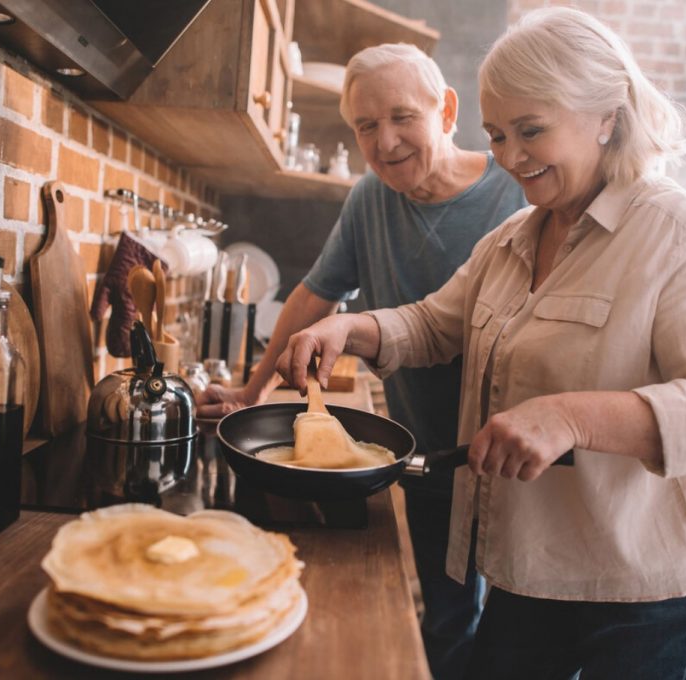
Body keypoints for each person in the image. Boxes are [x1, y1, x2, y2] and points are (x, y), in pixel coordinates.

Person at [275, 8, 686, 680]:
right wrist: (351, 327)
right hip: (536, 557)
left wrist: (569, 416)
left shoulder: (676, 234)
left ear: (605, 115)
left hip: (653, 583)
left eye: (531, 130)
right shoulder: (513, 237)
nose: (509, 156)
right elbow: (433, 324)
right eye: (497, 134)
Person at [197, 43, 527, 679]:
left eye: (403, 116)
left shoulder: (514, 195)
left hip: (509, 456)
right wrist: (251, 390)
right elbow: (314, 294)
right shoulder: (370, 199)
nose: (386, 141)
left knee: (518, 637)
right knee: (446, 617)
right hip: (425, 453)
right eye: (366, 126)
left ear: (447, 109)